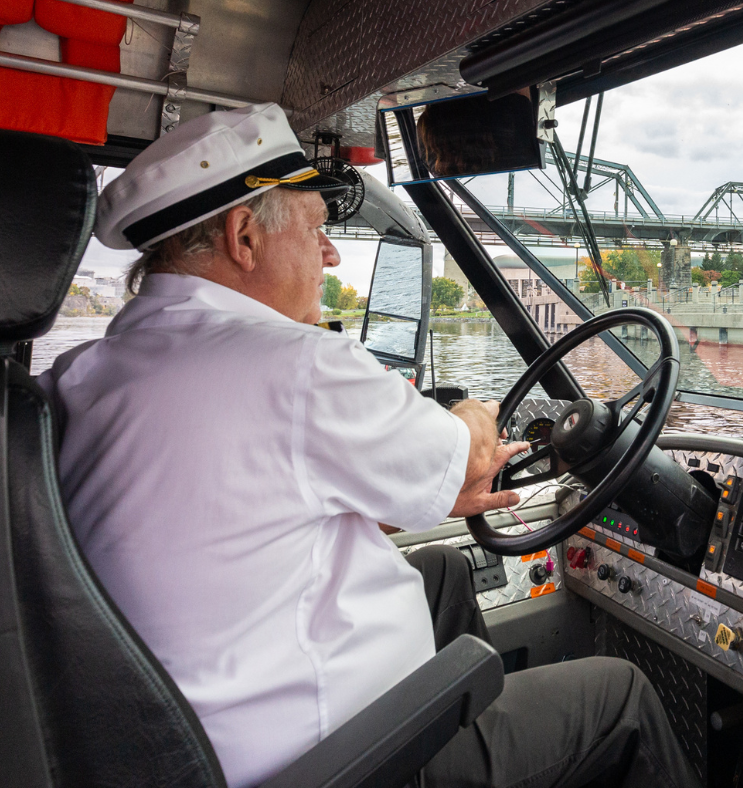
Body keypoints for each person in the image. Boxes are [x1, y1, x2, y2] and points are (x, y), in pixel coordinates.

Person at [40, 103, 701, 788]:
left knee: (442, 570)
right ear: (244, 236)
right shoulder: (291, 363)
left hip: (184, 738)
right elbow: (469, 462)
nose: (329, 253)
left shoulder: (83, 374)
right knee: (621, 696)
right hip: (332, 762)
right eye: (317, 229)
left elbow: (227, 514)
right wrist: (473, 417)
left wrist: (441, 483)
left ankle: (488, 736)